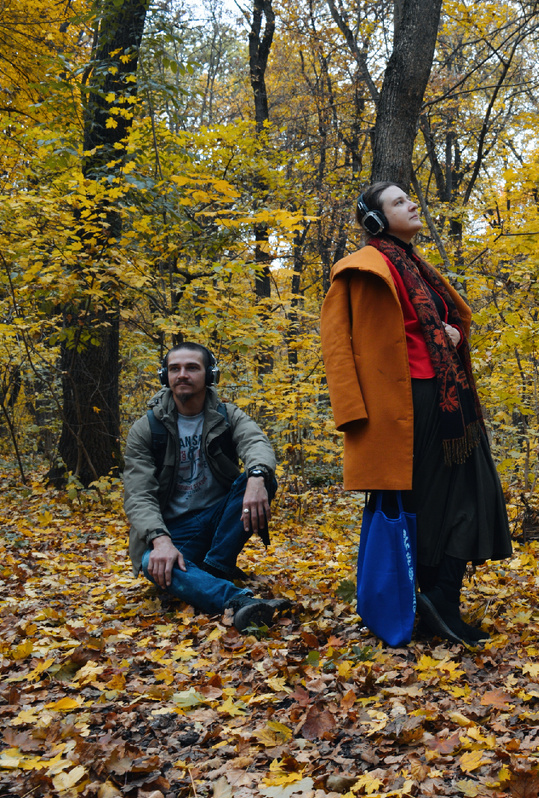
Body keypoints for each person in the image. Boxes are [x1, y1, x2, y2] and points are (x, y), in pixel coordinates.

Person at [320, 181, 512, 646]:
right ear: (375, 220)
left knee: (473, 494)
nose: (411, 204)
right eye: (398, 201)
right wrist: (352, 414)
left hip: (452, 401)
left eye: (410, 197)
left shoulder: (418, 268)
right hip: (406, 407)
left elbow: (448, 327)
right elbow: (336, 345)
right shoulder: (361, 268)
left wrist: (455, 336)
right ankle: (430, 600)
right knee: (426, 505)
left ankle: (442, 598)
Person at [124, 343, 289, 631]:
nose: (182, 375)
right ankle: (238, 600)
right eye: (175, 369)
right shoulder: (147, 428)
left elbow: (256, 444)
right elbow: (139, 494)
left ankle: (212, 569)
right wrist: (160, 540)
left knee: (262, 477)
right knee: (152, 560)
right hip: (175, 530)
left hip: (219, 519)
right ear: (165, 377)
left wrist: (257, 476)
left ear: (210, 374)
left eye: (192, 368)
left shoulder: (227, 416)